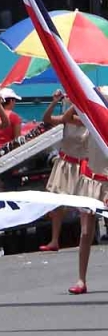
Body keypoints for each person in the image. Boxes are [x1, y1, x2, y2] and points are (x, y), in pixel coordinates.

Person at [41, 90, 88, 255]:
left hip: (81, 165)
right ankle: (54, 240)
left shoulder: (87, 120)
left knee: (85, 206)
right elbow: (46, 119)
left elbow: (68, 118)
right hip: (66, 163)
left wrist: (77, 100)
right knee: (57, 203)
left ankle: (85, 238)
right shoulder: (68, 118)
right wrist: (54, 102)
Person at [71, 87, 108, 295]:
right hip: (90, 180)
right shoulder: (90, 123)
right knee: (85, 232)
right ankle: (81, 279)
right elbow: (68, 117)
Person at [0, 87, 22, 153]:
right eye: (14, 101)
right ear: (11, 101)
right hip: (8, 153)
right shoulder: (14, 117)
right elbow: (17, 140)